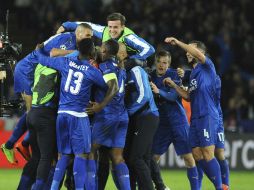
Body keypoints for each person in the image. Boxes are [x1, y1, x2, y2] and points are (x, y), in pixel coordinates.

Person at [1, 23, 93, 164]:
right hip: (27, 71)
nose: (90, 38)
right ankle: (14, 145)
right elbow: (52, 52)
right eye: (88, 35)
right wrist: (74, 53)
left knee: (39, 112)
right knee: (33, 113)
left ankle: (22, 144)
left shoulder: (79, 46)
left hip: (42, 75)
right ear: (78, 34)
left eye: (91, 36)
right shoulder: (66, 39)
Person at [34, 38, 118, 190]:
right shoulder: (92, 71)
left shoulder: (65, 62)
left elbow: (42, 59)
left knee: (63, 155)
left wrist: (39, 49)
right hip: (78, 116)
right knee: (82, 155)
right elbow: (108, 86)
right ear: (91, 51)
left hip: (62, 114)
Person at [163, 37, 223, 190]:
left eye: (191, 50)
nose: (187, 53)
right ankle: (215, 184)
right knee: (196, 155)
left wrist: (179, 43)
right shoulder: (195, 74)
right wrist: (174, 85)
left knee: (208, 154)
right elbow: (188, 96)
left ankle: (220, 187)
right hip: (195, 119)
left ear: (200, 53)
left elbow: (196, 53)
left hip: (207, 115)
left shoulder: (207, 66)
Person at [150, 50, 199, 190]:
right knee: (153, 159)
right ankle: (159, 186)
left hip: (178, 122)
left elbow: (172, 97)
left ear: (169, 63)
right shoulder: (150, 76)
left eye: (164, 62)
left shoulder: (174, 75)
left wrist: (159, 92)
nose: (161, 65)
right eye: (159, 62)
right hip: (161, 124)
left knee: (189, 158)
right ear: (155, 62)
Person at [86, 39, 131, 190]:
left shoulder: (106, 66)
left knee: (90, 151)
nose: (99, 49)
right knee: (117, 157)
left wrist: (100, 106)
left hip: (107, 114)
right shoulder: (120, 67)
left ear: (105, 50)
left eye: (101, 47)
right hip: (122, 115)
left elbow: (114, 88)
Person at [56, 12, 155, 62]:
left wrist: (132, 60)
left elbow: (149, 49)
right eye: (110, 27)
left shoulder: (129, 37)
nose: (112, 30)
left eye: (115, 27)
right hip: (112, 61)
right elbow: (87, 25)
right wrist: (66, 25)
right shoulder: (104, 31)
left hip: (126, 64)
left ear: (122, 27)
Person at [124, 56, 159, 190]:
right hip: (138, 118)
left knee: (136, 158)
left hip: (147, 116)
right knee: (139, 158)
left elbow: (144, 96)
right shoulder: (125, 73)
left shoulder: (137, 70)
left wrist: (128, 112)